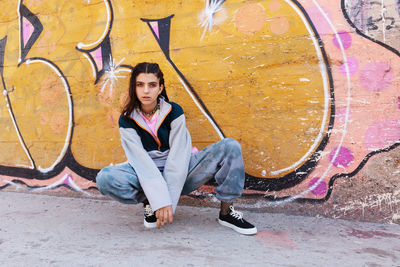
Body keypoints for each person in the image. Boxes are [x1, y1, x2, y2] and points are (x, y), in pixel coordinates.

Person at [96, 62, 257, 235]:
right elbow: (140, 162)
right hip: (146, 172)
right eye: (140, 85)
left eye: (152, 85)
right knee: (105, 178)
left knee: (230, 146)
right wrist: (159, 200)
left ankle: (226, 213)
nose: (146, 91)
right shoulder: (126, 120)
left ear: (160, 88)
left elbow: (178, 157)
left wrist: (168, 203)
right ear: (134, 88)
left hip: (183, 171)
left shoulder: (174, 112)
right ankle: (150, 202)